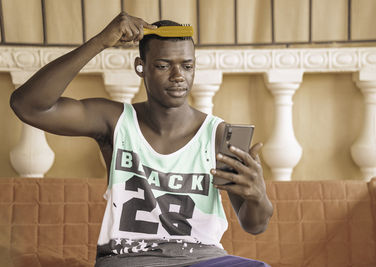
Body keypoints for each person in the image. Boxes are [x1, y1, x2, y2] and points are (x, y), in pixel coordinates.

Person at [10, 12, 273, 267]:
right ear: (141, 67)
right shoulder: (114, 121)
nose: (178, 75)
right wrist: (100, 41)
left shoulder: (216, 135)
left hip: (204, 259)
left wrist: (258, 196)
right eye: (162, 65)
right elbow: (27, 106)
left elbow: (255, 225)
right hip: (129, 260)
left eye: (187, 65)